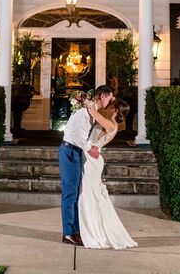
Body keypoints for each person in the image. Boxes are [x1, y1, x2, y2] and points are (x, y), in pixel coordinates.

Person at [78, 99, 138, 249]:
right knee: (89, 195)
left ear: (115, 110)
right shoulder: (109, 122)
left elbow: (93, 112)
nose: (109, 106)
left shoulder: (111, 124)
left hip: (92, 160)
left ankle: (95, 232)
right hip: (90, 156)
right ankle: (90, 228)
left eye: (112, 105)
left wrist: (86, 102)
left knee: (90, 196)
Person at [59, 84, 114, 246]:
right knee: (69, 193)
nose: (111, 100)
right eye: (110, 97)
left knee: (75, 193)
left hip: (75, 152)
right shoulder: (84, 113)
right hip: (69, 151)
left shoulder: (91, 112)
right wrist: (91, 150)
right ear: (102, 96)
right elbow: (76, 136)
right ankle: (68, 233)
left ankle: (75, 230)